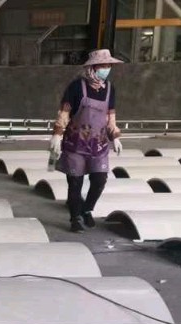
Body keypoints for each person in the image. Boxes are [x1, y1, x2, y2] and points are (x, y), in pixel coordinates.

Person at [50, 49, 124, 232]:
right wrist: (57, 134)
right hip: (75, 144)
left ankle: (87, 209)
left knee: (100, 179)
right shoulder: (76, 87)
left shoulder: (109, 89)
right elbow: (65, 113)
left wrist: (115, 136)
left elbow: (110, 117)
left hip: (99, 144)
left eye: (109, 66)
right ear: (93, 67)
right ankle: (75, 217)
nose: (106, 69)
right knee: (75, 182)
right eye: (103, 66)